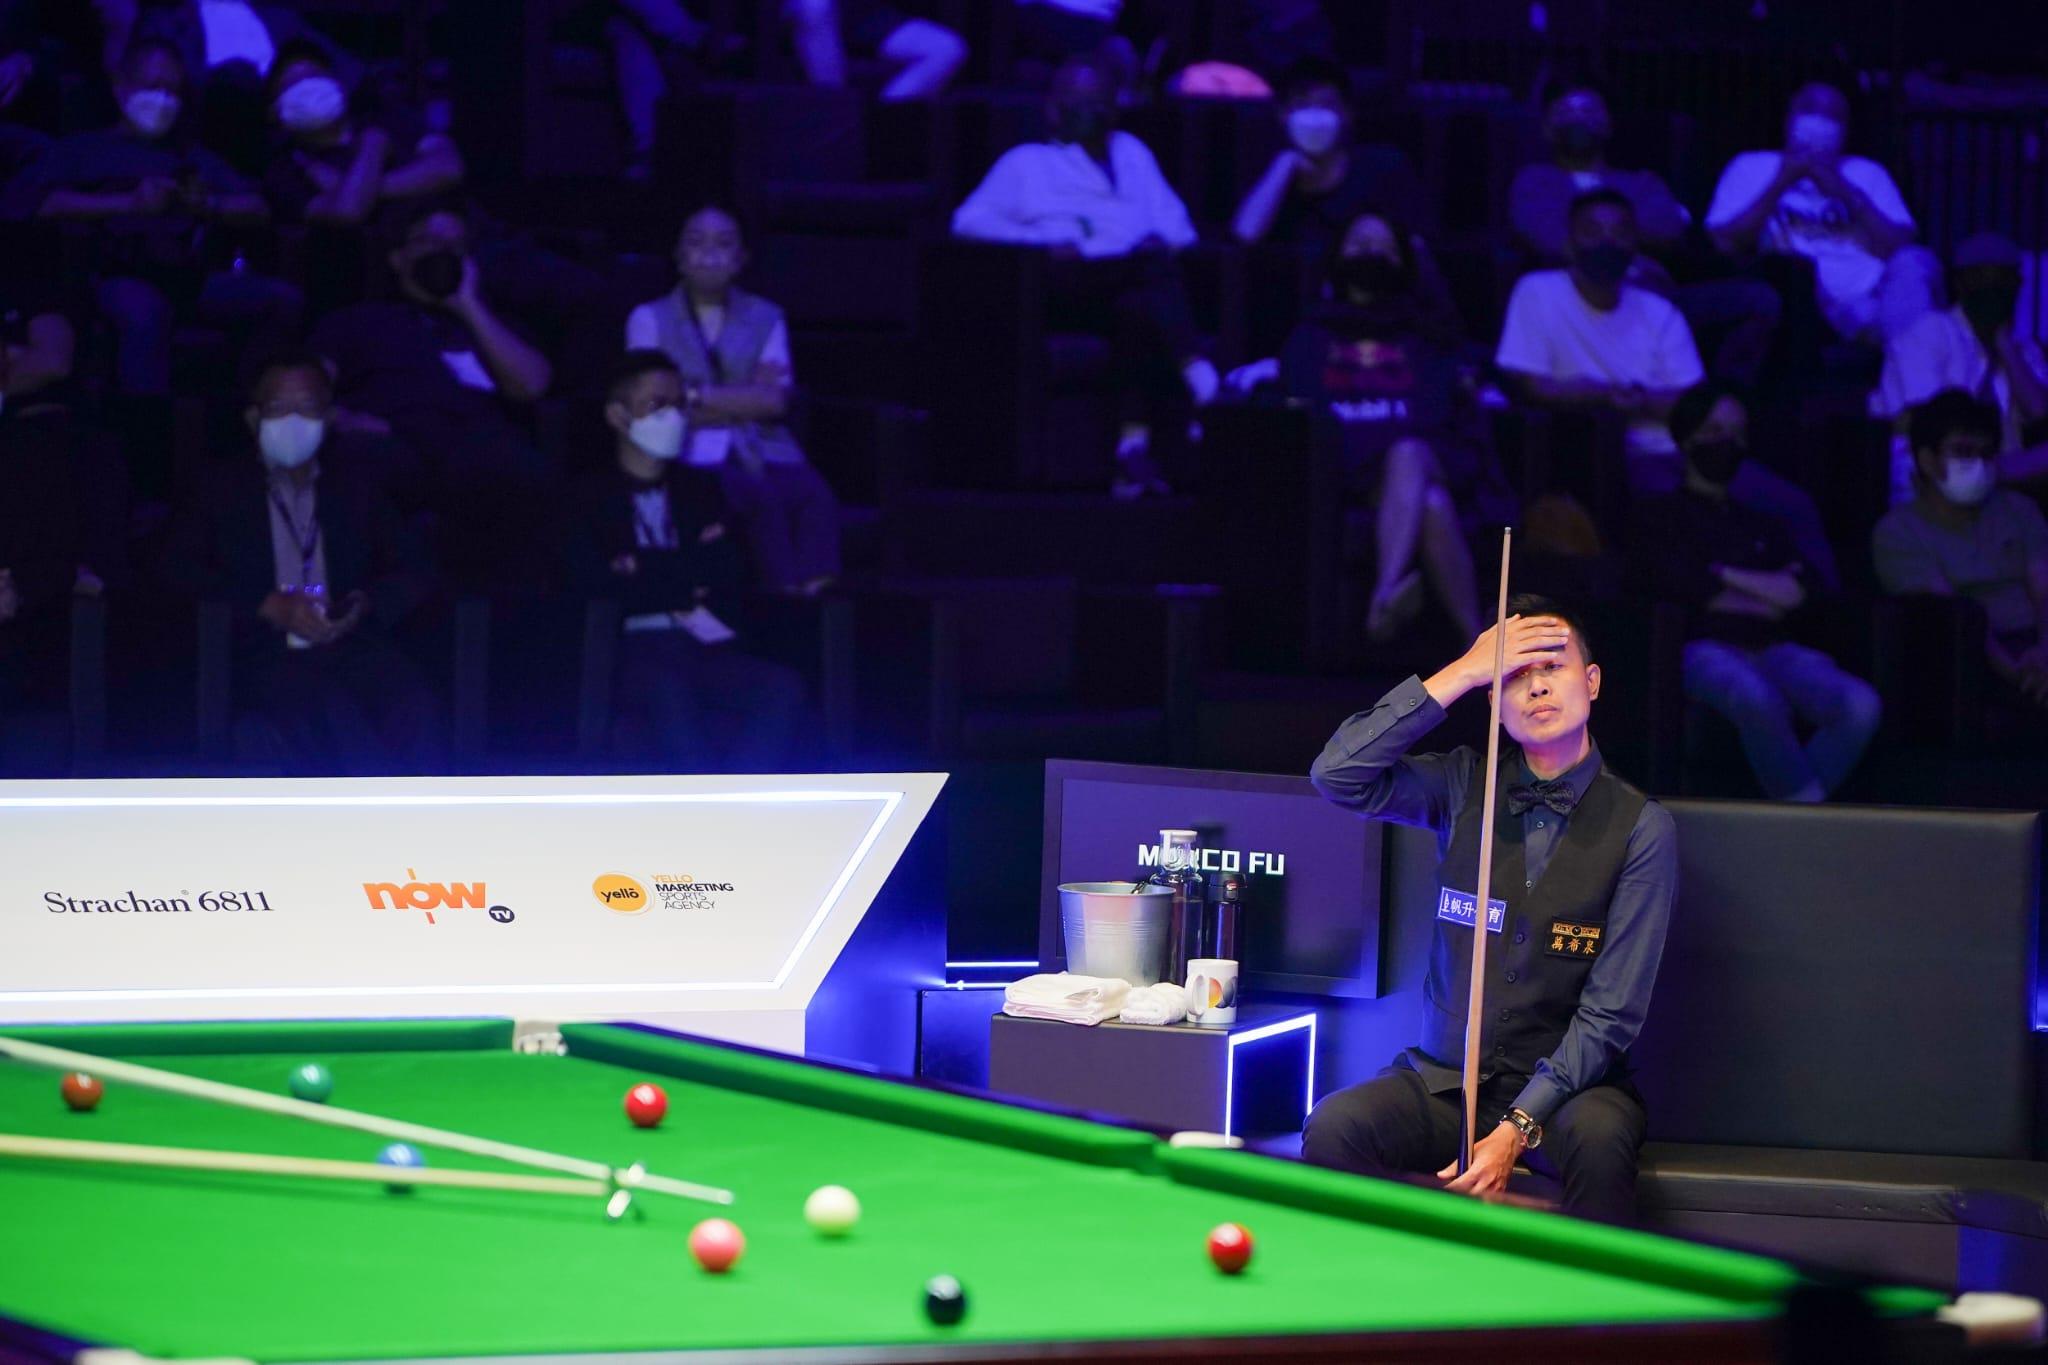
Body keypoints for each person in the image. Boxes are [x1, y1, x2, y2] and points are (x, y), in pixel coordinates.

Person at [1304, 596, 1677, 1223]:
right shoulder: (1462, 785)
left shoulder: (1642, 828)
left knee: (1601, 1141)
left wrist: (1519, 1125)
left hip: (1569, 1096)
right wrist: (1463, 671)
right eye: (1513, 675)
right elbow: (1337, 775)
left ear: (1591, 682)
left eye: (1552, 667)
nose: (1536, 687)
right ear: (1494, 703)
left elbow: (1611, 1013)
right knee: (1334, 1126)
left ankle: (1583, 1292)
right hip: (1445, 1084)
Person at [159, 352, 443, 775]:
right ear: (254, 419)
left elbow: (413, 568)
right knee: (324, 708)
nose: (293, 420)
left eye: (307, 407)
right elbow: (174, 569)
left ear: (329, 419)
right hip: (259, 649)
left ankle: (423, 812)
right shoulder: (217, 490)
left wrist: (363, 604)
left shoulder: (359, 487)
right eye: (278, 408)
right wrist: (267, 604)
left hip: (351, 643)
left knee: (410, 701)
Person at [952, 55, 1209, 497]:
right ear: (1054, 108)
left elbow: (1181, 229)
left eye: (1099, 102)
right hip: (1063, 284)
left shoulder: (1133, 153)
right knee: (1149, 277)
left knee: (1138, 307)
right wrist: (1040, 243)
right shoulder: (1026, 163)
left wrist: (1156, 238)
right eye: (1079, 102)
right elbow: (967, 223)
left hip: (1129, 279)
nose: (1091, 112)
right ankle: (1200, 377)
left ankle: (1131, 452)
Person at [9, 39, 297, 397]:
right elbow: (31, 203)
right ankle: (145, 424)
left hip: (186, 277)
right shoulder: (81, 152)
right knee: (144, 313)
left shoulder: (191, 156)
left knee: (281, 300)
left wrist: (206, 205)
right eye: (153, 86)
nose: (163, 99)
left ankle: (259, 405)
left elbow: (257, 207)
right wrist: (127, 203)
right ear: (122, 89)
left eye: (173, 91)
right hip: (111, 275)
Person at [563, 349, 806, 771]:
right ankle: (698, 803)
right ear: (618, 416)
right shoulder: (586, 497)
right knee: (667, 688)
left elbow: (728, 570)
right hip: (629, 648)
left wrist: (642, 568)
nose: (673, 417)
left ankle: (738, 802)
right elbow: (592, 583)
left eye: (680, 405)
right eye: (657, 405)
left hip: (701, 642)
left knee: (780, 687)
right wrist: (686, 574)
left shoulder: (702, 489)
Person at [1278, 211, 1512, 643]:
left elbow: (1447, 421)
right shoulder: (1310, 337)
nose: (1371, 254)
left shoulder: (1430, 336)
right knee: (1433, 505)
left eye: (1383, 247)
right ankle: (1476, 645)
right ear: (1337, 257)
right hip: (1346, 469)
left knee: (1408, 453)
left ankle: (1385, 593)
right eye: (1359, 244)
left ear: (1404, 262)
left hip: (1425, 458)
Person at [1632, 397, 1879, 801]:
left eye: (1737, 433)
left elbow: (1799, 594)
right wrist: (1761, 591)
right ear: (1687, 439)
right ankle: (1805, 814)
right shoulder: (1661, 516)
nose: (1727, 442)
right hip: (1702, 648)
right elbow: (1681, 587)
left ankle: (1791, 815)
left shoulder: (1765, 521)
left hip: (1775, 648)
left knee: (1860, 705)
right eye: (1715, 431)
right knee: (1757, 698)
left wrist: (1721, 574)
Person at [309, 198, 554, 587]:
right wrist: (340, 418)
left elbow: (532, 386)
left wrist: (468, 305)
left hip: (476, 449)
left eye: (455, 245)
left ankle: (507, 614)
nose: (442, 251)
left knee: (521, 472)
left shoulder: (494, 325)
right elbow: (300, 388)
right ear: (398, 258)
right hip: (388, 442)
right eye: (428, 241)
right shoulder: (358, 320)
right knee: (355, 468)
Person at [626, 205, 841, 595]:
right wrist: (744, 397)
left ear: (741, 259)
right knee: (758, 497)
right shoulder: (648, 318)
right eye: (696, 243)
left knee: (815, 497)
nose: (709, 254)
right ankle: (783, 601)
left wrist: (693, 395)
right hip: (686, 452)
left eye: (723, 244)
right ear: (679, 256)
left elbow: (774, 402)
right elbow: (651, 404)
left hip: (763, 447)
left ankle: (817, 603)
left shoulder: (767, 317)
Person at [1705, 82, 1938, 348]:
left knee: (1916, 261)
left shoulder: (1867, 172)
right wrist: (1782, 180)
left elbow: (1900, 244)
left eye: (1832, 116)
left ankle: (1909, 349)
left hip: (1872, 295)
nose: (1819, 122)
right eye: (1809, 111)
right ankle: (1909, 349)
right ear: (1789, 118)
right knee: (1910, 334)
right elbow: (1724, 242)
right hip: (1803, 296)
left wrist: (1844, 192)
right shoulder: (1750, 166)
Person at [1494, 188, 1705, 483]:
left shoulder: (1661, 312)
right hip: (1600, 459)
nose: (1608, 242)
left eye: (1620, 233)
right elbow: (1533, 386)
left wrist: (1637, 400)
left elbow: (1695, 406)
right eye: (1593, 232)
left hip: (1683, 455)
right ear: (1569, 244)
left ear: (1636, 247)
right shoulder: (1538, 292)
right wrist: (1604, 397)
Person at [1874, 390, 2048, 709]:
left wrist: (2045, 652)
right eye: (1964, 452)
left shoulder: (2019, 510)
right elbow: (1952, 617)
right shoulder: (1898, 532)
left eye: (1986, 454)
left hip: (2037, 642)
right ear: (1927, 460)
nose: (1978, 464)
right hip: (1969, 659)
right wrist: (2018, 673)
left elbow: (2044, 587)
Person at [1873, 232, 2048, 495]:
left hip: (2001, 485)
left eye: (2004, 280)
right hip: (1933, 475)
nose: (1994, 290)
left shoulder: (2023, 349)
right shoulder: (1929, 333)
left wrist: (2006, 348)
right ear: (1960, 284)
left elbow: (2040, 413)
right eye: (1982, 279)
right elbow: (1925, 424)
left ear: (2017, 285)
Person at [260, 41, 464, 229]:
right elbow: (346, 212)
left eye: (315, 76)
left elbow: (448, 166)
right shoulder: (286, 171)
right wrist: (373, 146)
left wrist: (352, 186)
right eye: (294, 83)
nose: (309, 88)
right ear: (274, 111)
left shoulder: (388, 117)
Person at [1232, 56, 1423, 248]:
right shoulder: (1268, 172)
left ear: (1347, 114)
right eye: (1302, 105)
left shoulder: (1383, 166)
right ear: (1283, 115)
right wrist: (1286, 164)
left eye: (1327, 105)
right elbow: (1245, 235)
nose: (1314, 117)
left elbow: (1415, 244)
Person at [786, 0, 967, 100]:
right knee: (816, 6)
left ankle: (880, 126)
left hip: (861, 11)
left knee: (946, 49)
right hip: (805, 9)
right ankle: (835, 117)